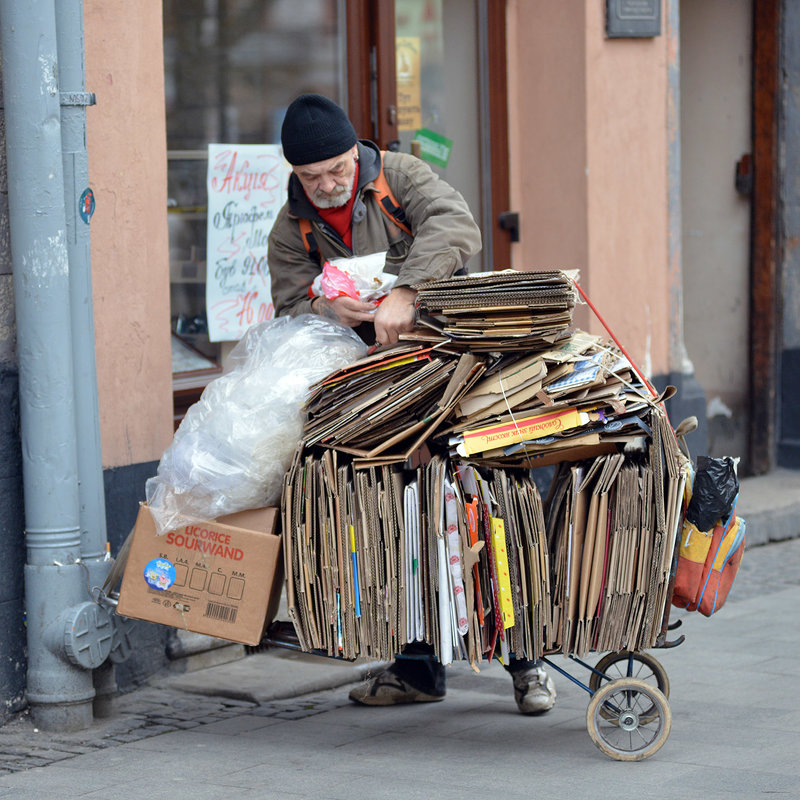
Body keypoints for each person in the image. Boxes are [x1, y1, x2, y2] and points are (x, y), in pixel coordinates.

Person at [268, 93, 556, 714]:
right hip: (377, 395)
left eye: (337, 170)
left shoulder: (401, 177)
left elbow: (456, 226)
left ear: (356, 152)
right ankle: (417, 667)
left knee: (485, 506)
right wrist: (323, 308)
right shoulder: (290, 226)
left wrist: (408, 291)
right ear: (295, 172)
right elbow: (287, 307)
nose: (327, 185)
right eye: (311, 176)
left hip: (454, 373)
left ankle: (527, 661)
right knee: (400, 524)